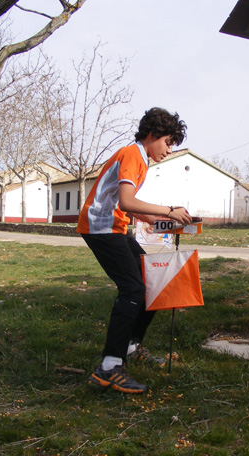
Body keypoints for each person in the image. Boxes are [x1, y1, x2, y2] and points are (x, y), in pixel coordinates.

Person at [77, 107, 192, 394]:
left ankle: (129, 347)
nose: (169, 150)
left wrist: (161, 220)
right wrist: (169, 209)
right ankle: (108, 368)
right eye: (168, 142)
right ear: (152, 134)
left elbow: (126, 203)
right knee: (132, 289)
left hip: (115, 228)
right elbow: (127, 201)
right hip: (100, 229)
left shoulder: (140, 159)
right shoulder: (132, 154)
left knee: (151, 284)